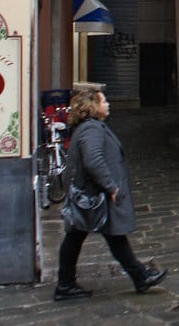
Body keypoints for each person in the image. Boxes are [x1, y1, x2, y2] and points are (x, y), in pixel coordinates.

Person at [54, 87, 167, 301]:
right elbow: (93, 160)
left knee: (104, 236)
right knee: (84, 237)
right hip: (93, 195)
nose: (108, 104)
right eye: (104, 101)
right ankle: (66, 285)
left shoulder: (89, 127)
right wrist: (111, 186)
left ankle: (139, 276)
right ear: (94, 106)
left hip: (90, 194)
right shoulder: (92, 129)